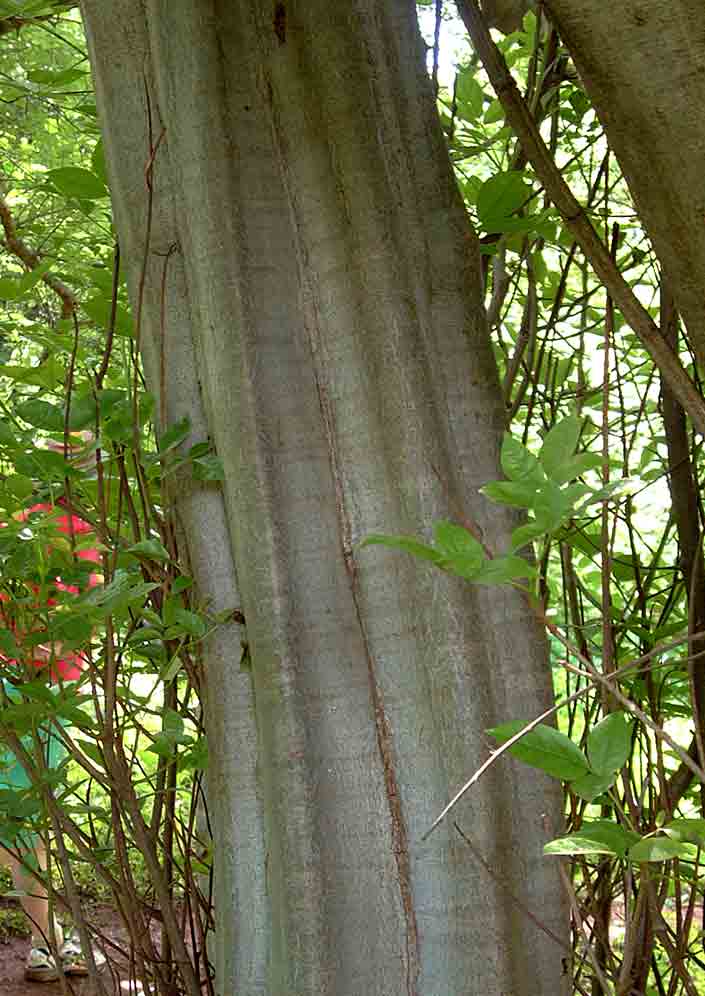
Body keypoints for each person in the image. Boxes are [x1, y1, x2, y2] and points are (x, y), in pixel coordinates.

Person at [0, 438, 105, 982]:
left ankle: (48, 942)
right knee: (25, 824)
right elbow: (86, 620)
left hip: (33, 692)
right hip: (33, 695)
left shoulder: (17, 525)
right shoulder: (77, 534)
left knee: (22, 823)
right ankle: (47, 944)